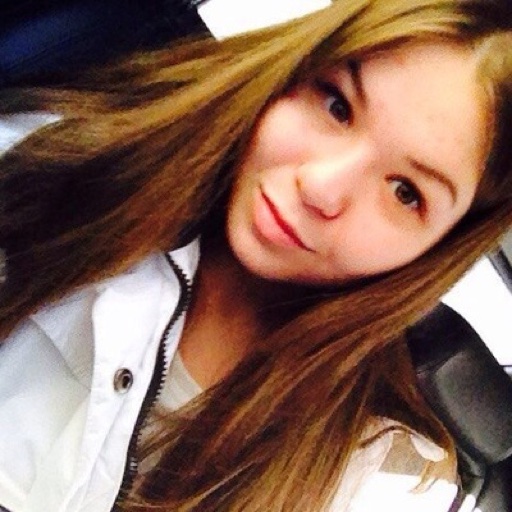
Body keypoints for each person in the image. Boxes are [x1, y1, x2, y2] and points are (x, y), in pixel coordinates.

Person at [0, 0, 511, 511]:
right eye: (337, 105)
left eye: (404, 192)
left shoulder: (365, 467)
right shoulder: (62, 161)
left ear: (442, 246)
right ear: (298, 67)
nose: (321, 187)